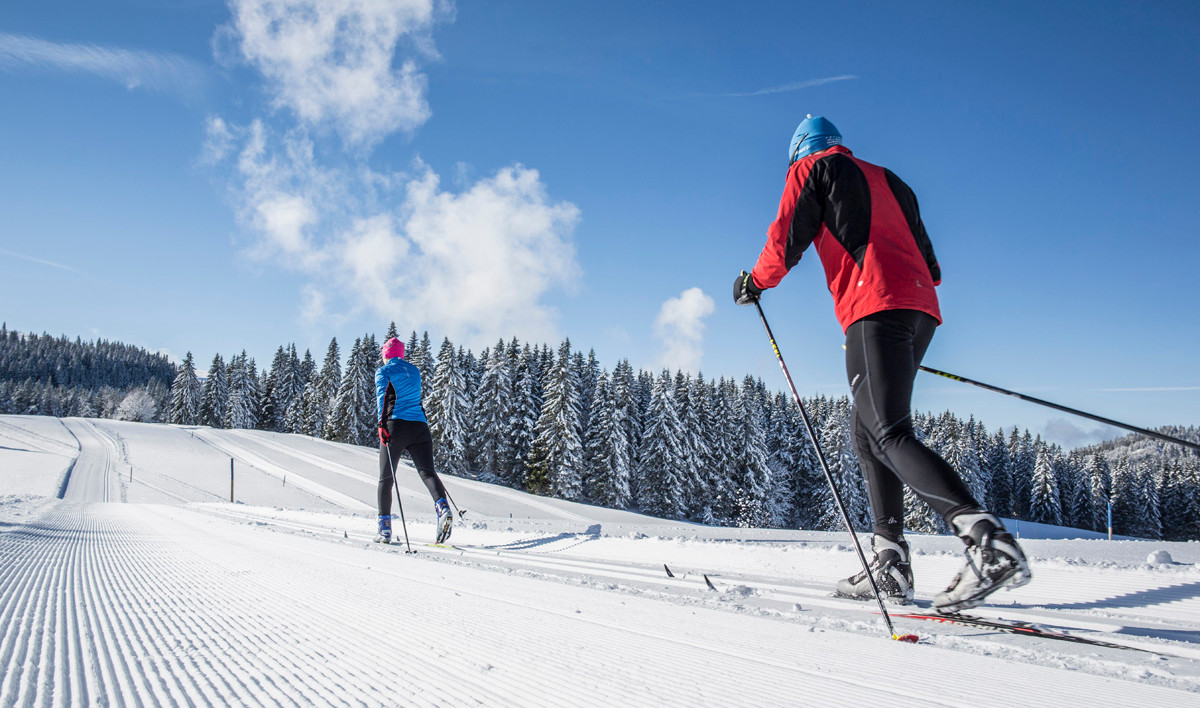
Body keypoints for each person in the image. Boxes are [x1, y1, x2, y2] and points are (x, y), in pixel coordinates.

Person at [733, 115, 1030, 612]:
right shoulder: (893, 180)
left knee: (888, 433)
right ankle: (890, 562)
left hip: (874, 307)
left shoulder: (813, 169)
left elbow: (786, 239)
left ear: (799, 153)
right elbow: (931, 264)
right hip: (921, 311)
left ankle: (987, 541)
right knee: (868, 433)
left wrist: (754, 284)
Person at [375, 336, 453, 545]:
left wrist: (381, 426)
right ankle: (442, 506)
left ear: (386, 354)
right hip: (420, 427)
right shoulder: (415, 371)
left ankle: (384, 529)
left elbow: (382, 399)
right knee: (427, 472)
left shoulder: (384, 372)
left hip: (395, 426)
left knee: (386, 478)